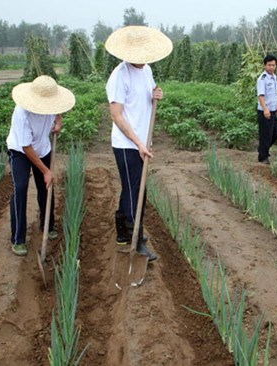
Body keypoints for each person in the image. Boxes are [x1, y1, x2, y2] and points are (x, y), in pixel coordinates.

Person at [105, 26, 173, 262]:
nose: (144, 59)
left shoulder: (147, 71)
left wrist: (155, 96)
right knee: (136, 191)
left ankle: (123, 235)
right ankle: (136, 237)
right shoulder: (119, 76)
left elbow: (147, 99)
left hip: (142, 142)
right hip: (126, 144)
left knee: (132, 188)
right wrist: (137, 143)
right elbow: (116, 115)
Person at [6, 75, 75, 256]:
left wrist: (58, 122)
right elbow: (26, 147)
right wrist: (45, 171)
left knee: (46, 187)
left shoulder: (52, 104)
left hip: (43, 148)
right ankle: (18, 239)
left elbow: (58, 110)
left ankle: (47, 225)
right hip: (21, 152)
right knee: (20, 188)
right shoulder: (22, 113)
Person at [256, 54, 277, 164]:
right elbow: (261, 96)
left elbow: (274, 94)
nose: (271, 67)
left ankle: (262, 149)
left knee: (276, 132)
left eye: (273, 65)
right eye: (269, 65)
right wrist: (265, 109)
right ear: (265, 65)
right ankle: (263, 157)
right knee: (266, 134)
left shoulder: (274, 77)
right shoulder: (263, 79)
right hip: (264, 111)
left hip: (273, 110)